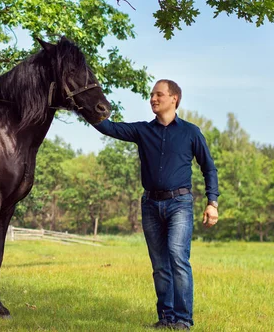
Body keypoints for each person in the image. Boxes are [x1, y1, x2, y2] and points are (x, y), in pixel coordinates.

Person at [92, 79, 219, 330]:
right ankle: (166, 318)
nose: (153, 98)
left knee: (177, 256)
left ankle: (183, 320)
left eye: (159, 94)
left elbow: (209, 167)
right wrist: (85, 105)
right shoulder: (142, 131)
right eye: (151, 95)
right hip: (150, 204)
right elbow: (108, 128)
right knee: (160, 264)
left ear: (174, 99)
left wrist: (212, 202)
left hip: (180, 203)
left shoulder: (191, 132)